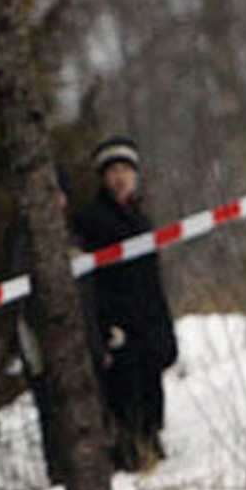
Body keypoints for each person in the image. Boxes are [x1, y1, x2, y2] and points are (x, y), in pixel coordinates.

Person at [74, 136, 179, 471]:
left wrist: (164, 326)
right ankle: (132, 454)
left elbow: (152, 281)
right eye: (113, 171)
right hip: (119, 329)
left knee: (151, 396)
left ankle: (150, 446)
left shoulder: (141, 220)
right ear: (103, 178)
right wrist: (104, 327)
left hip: (147, 324)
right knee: (126, 399)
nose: (120, 178)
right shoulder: (92, 222)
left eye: (125, 170)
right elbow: (90, 285)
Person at [6, 166, 105, 487]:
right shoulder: (25, 243)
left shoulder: (74, 237)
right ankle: (62, 474)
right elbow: (24, 302)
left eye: (58, 194)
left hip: (84, 339)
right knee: (55, 414)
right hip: (48, 347)